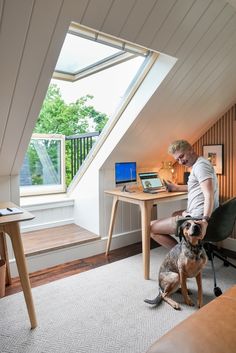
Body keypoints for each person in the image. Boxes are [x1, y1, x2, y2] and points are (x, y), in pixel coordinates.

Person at [150, 140, 219, 249]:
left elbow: (208, 195)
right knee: (175, 214)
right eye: (177, 159)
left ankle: (182, 253)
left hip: (198, 218)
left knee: (149, 227)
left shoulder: (201, 167)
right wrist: (176, 187)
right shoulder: (199, 164)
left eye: (181, 156)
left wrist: (204, 221)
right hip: (199, 214)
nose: (181, 162)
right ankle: (188, 249)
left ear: (191, 150)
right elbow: (198, 187)